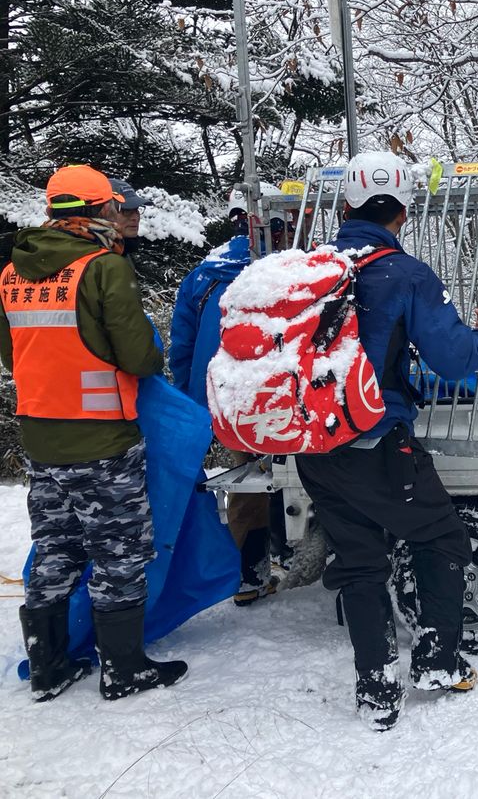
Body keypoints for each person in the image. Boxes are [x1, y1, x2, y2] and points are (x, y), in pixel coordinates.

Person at [292, 150, 478, 730]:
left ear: (344, 206)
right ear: (404, 214)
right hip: (377, 441)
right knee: (440, 538)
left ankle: (377, 693)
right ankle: (436, 661)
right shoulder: (406, 275)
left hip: (314, 445)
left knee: (358, 562)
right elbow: (455, 360)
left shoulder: (312, 269)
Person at [0, 164, 186, 702]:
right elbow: (137, 355)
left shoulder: (11, 274)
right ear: (102, 208)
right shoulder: (103, 267)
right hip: (102, 439)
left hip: (38, 436)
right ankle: (124, 670)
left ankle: (49, 667)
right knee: (119, 553)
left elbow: (12, 353)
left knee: (55, 547)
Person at [168, 219, 275, 607]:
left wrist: (189, 400)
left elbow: (183, 343)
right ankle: (300, 554)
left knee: (249, 478)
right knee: (296, 474)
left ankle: (248, 574)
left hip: (225, 399)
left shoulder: (205, 275)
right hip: (282, 396)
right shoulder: (291, 268)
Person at [108, 177, 154, 257]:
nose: (135, 217)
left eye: (137, 209)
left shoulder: (123, 251)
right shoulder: (96, 258)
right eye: (127, 210)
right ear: (105, 211)